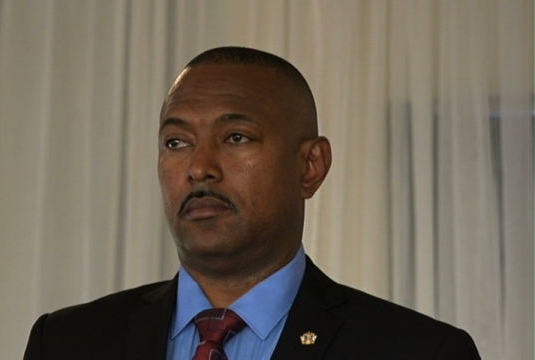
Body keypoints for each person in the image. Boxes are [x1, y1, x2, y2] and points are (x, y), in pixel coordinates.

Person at [24, 46, 480, 359]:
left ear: (311, 166)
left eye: (236, 138)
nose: (200, 168)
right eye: (177, 142)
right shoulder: (67, 342)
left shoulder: (419, 351)